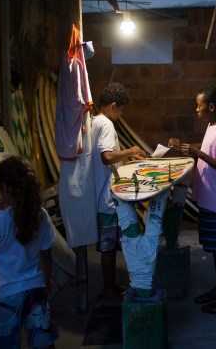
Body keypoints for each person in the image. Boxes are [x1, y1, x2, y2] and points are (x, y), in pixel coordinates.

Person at [169, 85, 216, 314]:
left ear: (211, 107)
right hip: (209, 199)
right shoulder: (212, 126)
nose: (196, 109)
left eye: (199, 105)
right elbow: (208, 149)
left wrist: (198, 154)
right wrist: (187, 147)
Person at [0, 156, 59, 349]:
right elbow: (47, 254)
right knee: (43, 343)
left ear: (4, 188)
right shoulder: (41, 215)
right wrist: (47, 281)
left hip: (7, 294)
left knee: (5, 345)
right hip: (35, 288)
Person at [91, 83, 146, 305]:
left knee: (109, 246)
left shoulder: (94, 121)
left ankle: (110, 286)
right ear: (113, 106)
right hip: (107, 198)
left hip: (102, 193)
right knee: (108, 247)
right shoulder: (106, 125)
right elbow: (107, 157)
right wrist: (131, 151)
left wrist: (125, 158)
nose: (121, 114)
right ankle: (108, 289)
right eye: (121, 109)